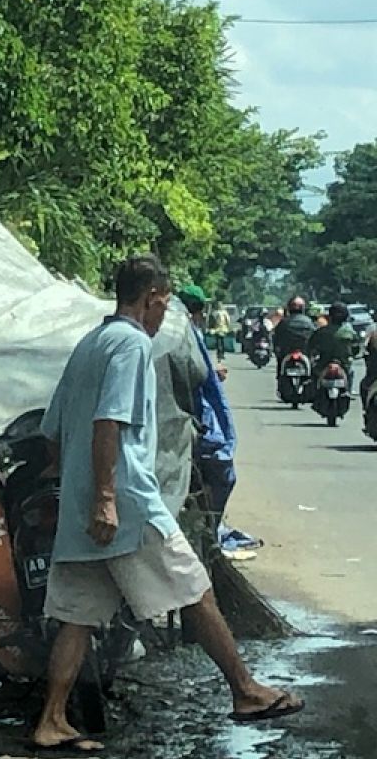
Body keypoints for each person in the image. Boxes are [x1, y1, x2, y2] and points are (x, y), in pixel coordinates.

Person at [29, 256, 302, 752]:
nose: (163, 314)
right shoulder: (132, 345)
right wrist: (107, 498)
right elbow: (107, 422)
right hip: (127, 506)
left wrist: (77, 492)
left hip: (80, 508)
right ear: (153, 296)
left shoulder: (91, 342)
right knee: (195, 589)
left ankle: (51, 720)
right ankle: (245, 691)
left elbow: (52, 431)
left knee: (77, 616)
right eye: (164, 302)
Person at [178, 286, 238, 532]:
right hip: (190, 424)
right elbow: (197, 379)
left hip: (189, 422)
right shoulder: (185, 334)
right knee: (223, 473)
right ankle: (210, 529)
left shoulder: (182, 334)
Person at [307, 302, 359, 384]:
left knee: (313, 375)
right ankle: (348, 391)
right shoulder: (351, 332)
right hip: (344, 364)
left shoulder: (321, 331)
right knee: (350, 372)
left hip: (323, 364)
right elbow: (356, 349)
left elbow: (311, 346)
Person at [273, 297, 315, 380]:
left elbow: (276, 336)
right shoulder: (309, 322)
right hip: (304, 351)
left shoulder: (284, 322)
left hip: (287, 352)